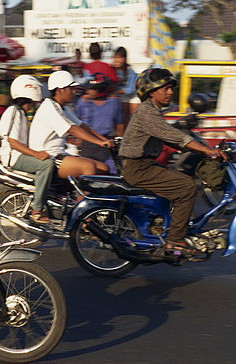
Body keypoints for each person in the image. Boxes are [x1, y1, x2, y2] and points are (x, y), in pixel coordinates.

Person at [118, 68, 228, 255]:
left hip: (145, 166)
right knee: (186, 187)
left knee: (181, 177)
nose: (170, 92)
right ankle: (175, 241)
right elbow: (172, 135)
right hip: (138, 168)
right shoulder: (147, 112)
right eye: (165, 89)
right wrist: (207, 150)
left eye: (170, 88)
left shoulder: (152, 112)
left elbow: (170, 137)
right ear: (151, 92)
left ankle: (169, 227)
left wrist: (201, 150)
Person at [29, 70, 113, 179]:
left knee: (104, 168)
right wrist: (99, 143)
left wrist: (103, 140)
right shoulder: (49, 107)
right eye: (71, 89)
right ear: (60, 90)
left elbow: (81, 125)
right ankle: (82, 196)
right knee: (88, 167)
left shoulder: (62, 107)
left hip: (60, 154)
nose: (74, 92)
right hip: (48, 157)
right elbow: (72, 129)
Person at [0, 75, 55, 224]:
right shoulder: (13, 112)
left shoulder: (21, 113)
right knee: (46, 164)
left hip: (19, 155)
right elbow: (13, 143)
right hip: (13, 157)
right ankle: (37, 210)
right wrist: (36, 154)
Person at [76, 73, 124, 173]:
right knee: (87, 170)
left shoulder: (114, 102)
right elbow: (77, 121)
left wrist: (119, 142)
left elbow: (119, 124)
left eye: (92, 89)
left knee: (108, 170)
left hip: (106, 143)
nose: (88, 91)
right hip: (88, 142)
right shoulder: (83, 102)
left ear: (101, 90)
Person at [112, 46, 140, 119]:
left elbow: (131, 89)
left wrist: (117, 92)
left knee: (134, 115)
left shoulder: (130, 71)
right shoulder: (112, 70)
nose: (117, 60)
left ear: (124, 59)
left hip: (132, 95)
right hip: (120, 96)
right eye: (116, 57)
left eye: (120, 58)